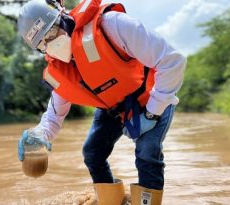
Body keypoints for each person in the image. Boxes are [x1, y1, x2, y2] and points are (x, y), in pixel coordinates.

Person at [17, 0, 187, 204]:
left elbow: (173, 60)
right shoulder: (60, 70)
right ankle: (112, 202)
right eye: (43, 44)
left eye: (51, 33)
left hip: (152, 95)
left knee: (147, 153)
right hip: (113, 108)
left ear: (62, 17)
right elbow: (54, 116)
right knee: (92, 153)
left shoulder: (112, 25)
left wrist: (152, 112)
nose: (51, 45)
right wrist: (39, 135)